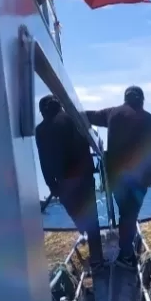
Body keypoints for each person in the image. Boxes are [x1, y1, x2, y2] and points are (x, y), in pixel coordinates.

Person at [85, 86, 151, 268]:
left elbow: (90, 116)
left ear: (126, 98)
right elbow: (150, 150)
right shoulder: (146, 117)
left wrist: (67, 112)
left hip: (115, 174)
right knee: (130, 214)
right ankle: (126, 254)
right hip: (138, 176)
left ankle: (125, 251)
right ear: (141, 99)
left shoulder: (113, 113)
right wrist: (149, 176)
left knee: (125, 212)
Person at [35, 95, 103, 267]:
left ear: (43, 111)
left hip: (64, 181)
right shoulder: (75, 119)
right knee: (91, 217)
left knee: (77, 213)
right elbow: (91, 138)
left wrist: (51, 184)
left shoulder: (42, 129)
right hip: (84, 176)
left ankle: (83, 229)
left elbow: (44, 160)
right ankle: (97, 258)